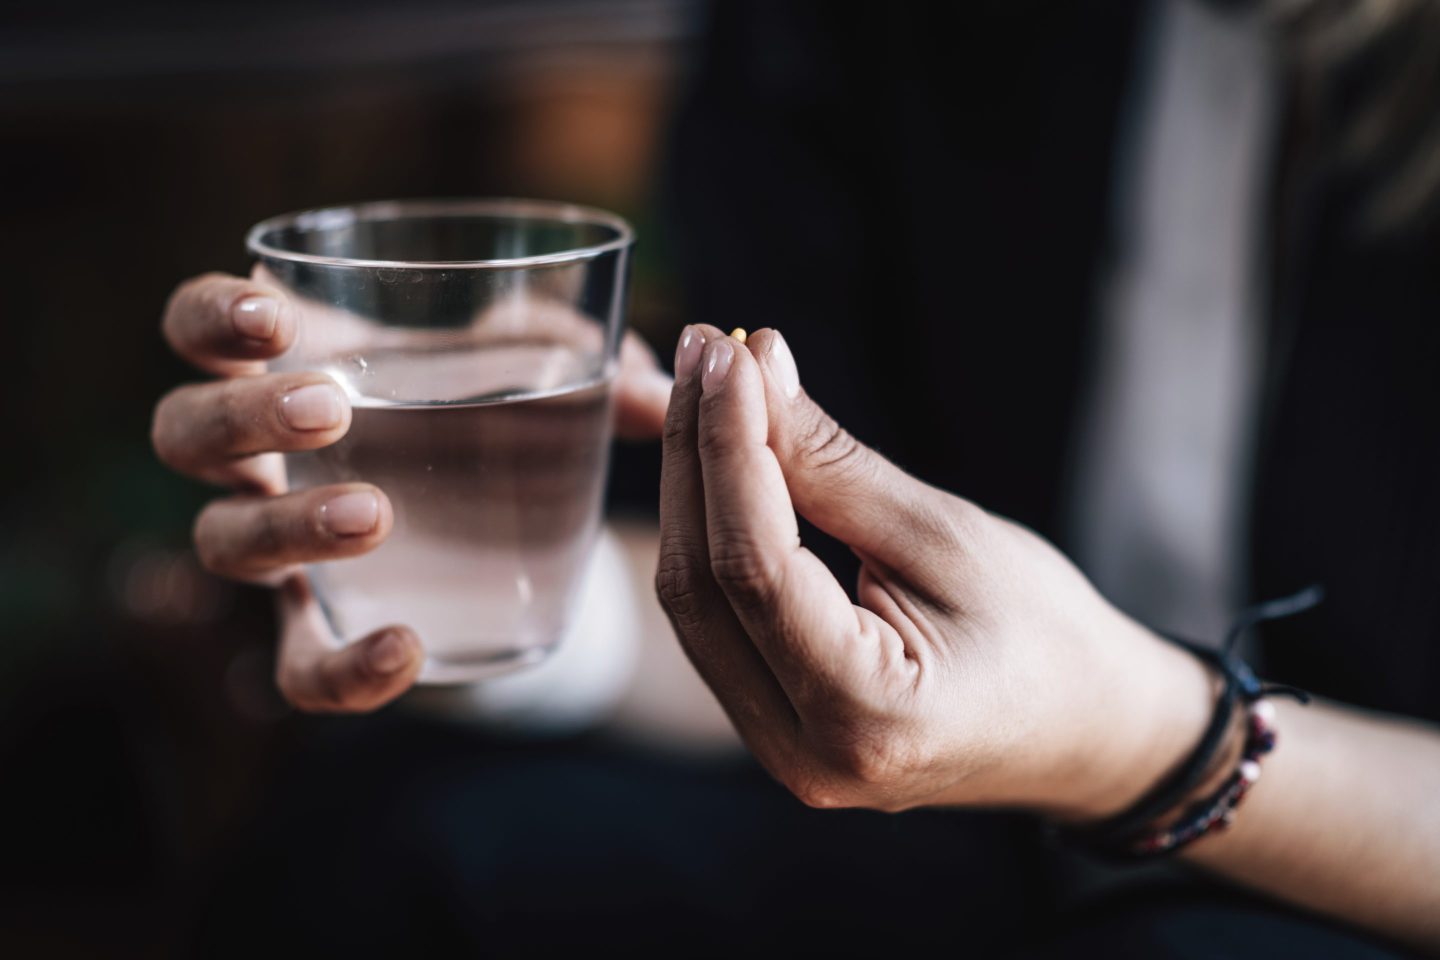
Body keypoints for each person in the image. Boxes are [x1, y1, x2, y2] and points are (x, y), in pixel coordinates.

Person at [151, 0, 1440, 955]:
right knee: (406, 850)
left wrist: (1152, 738)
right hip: (975, 833)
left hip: (1365, 864)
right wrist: (489, 582)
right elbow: (852, 617)